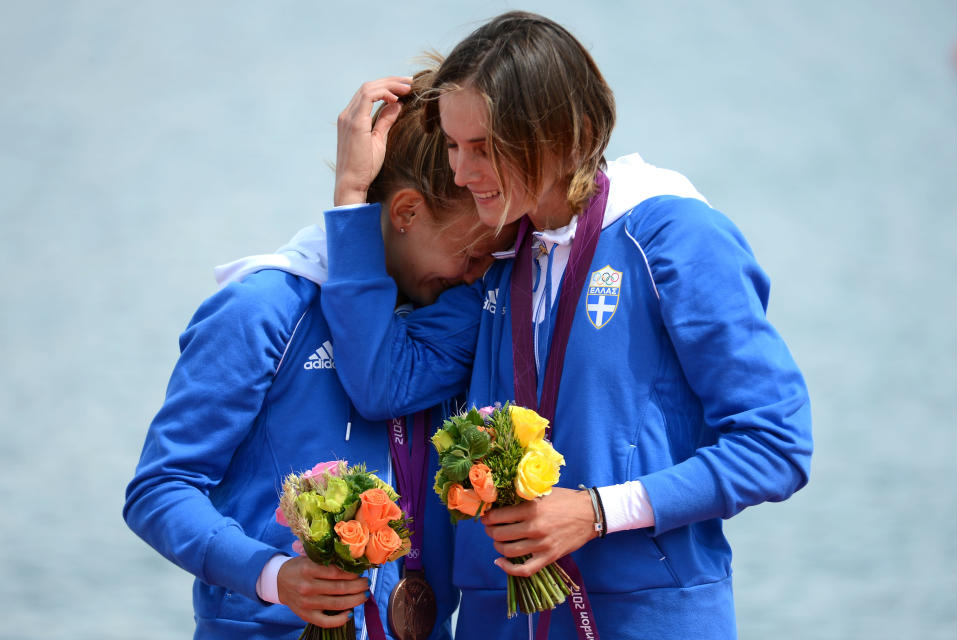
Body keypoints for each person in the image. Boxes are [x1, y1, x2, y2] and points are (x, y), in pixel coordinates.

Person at [317, 11, 813, 640]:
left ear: (558, 133)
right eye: (451, 144)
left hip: (643, 614)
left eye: (483, 148)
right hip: (498, 617)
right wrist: (353, 194)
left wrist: (596, 512)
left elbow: (776, 445)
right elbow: (383, 382)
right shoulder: (499, 258)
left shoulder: (672, 236)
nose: (462, 173)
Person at [123, 71, 513, 640]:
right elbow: (161, 488)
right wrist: (271, 574)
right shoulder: (262, 308)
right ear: (404, 213)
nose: (481, 274)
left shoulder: (459, 312)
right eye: (472, 252)